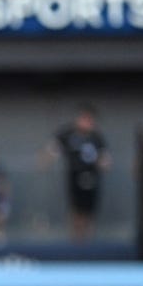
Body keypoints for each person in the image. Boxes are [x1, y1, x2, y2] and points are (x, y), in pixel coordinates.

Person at [44, 103, 110, 243]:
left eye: (90, 120)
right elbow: (52, 149)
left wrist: (102, 162)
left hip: (92, 178)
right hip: (74, 176)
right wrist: (47, 160)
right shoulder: (68, 134)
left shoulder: (96, 138)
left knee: (89, 212)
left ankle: (87, 242)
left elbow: (105, 159)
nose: (87, 122)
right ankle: (75, 241)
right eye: (84, 118)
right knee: (76, 211)